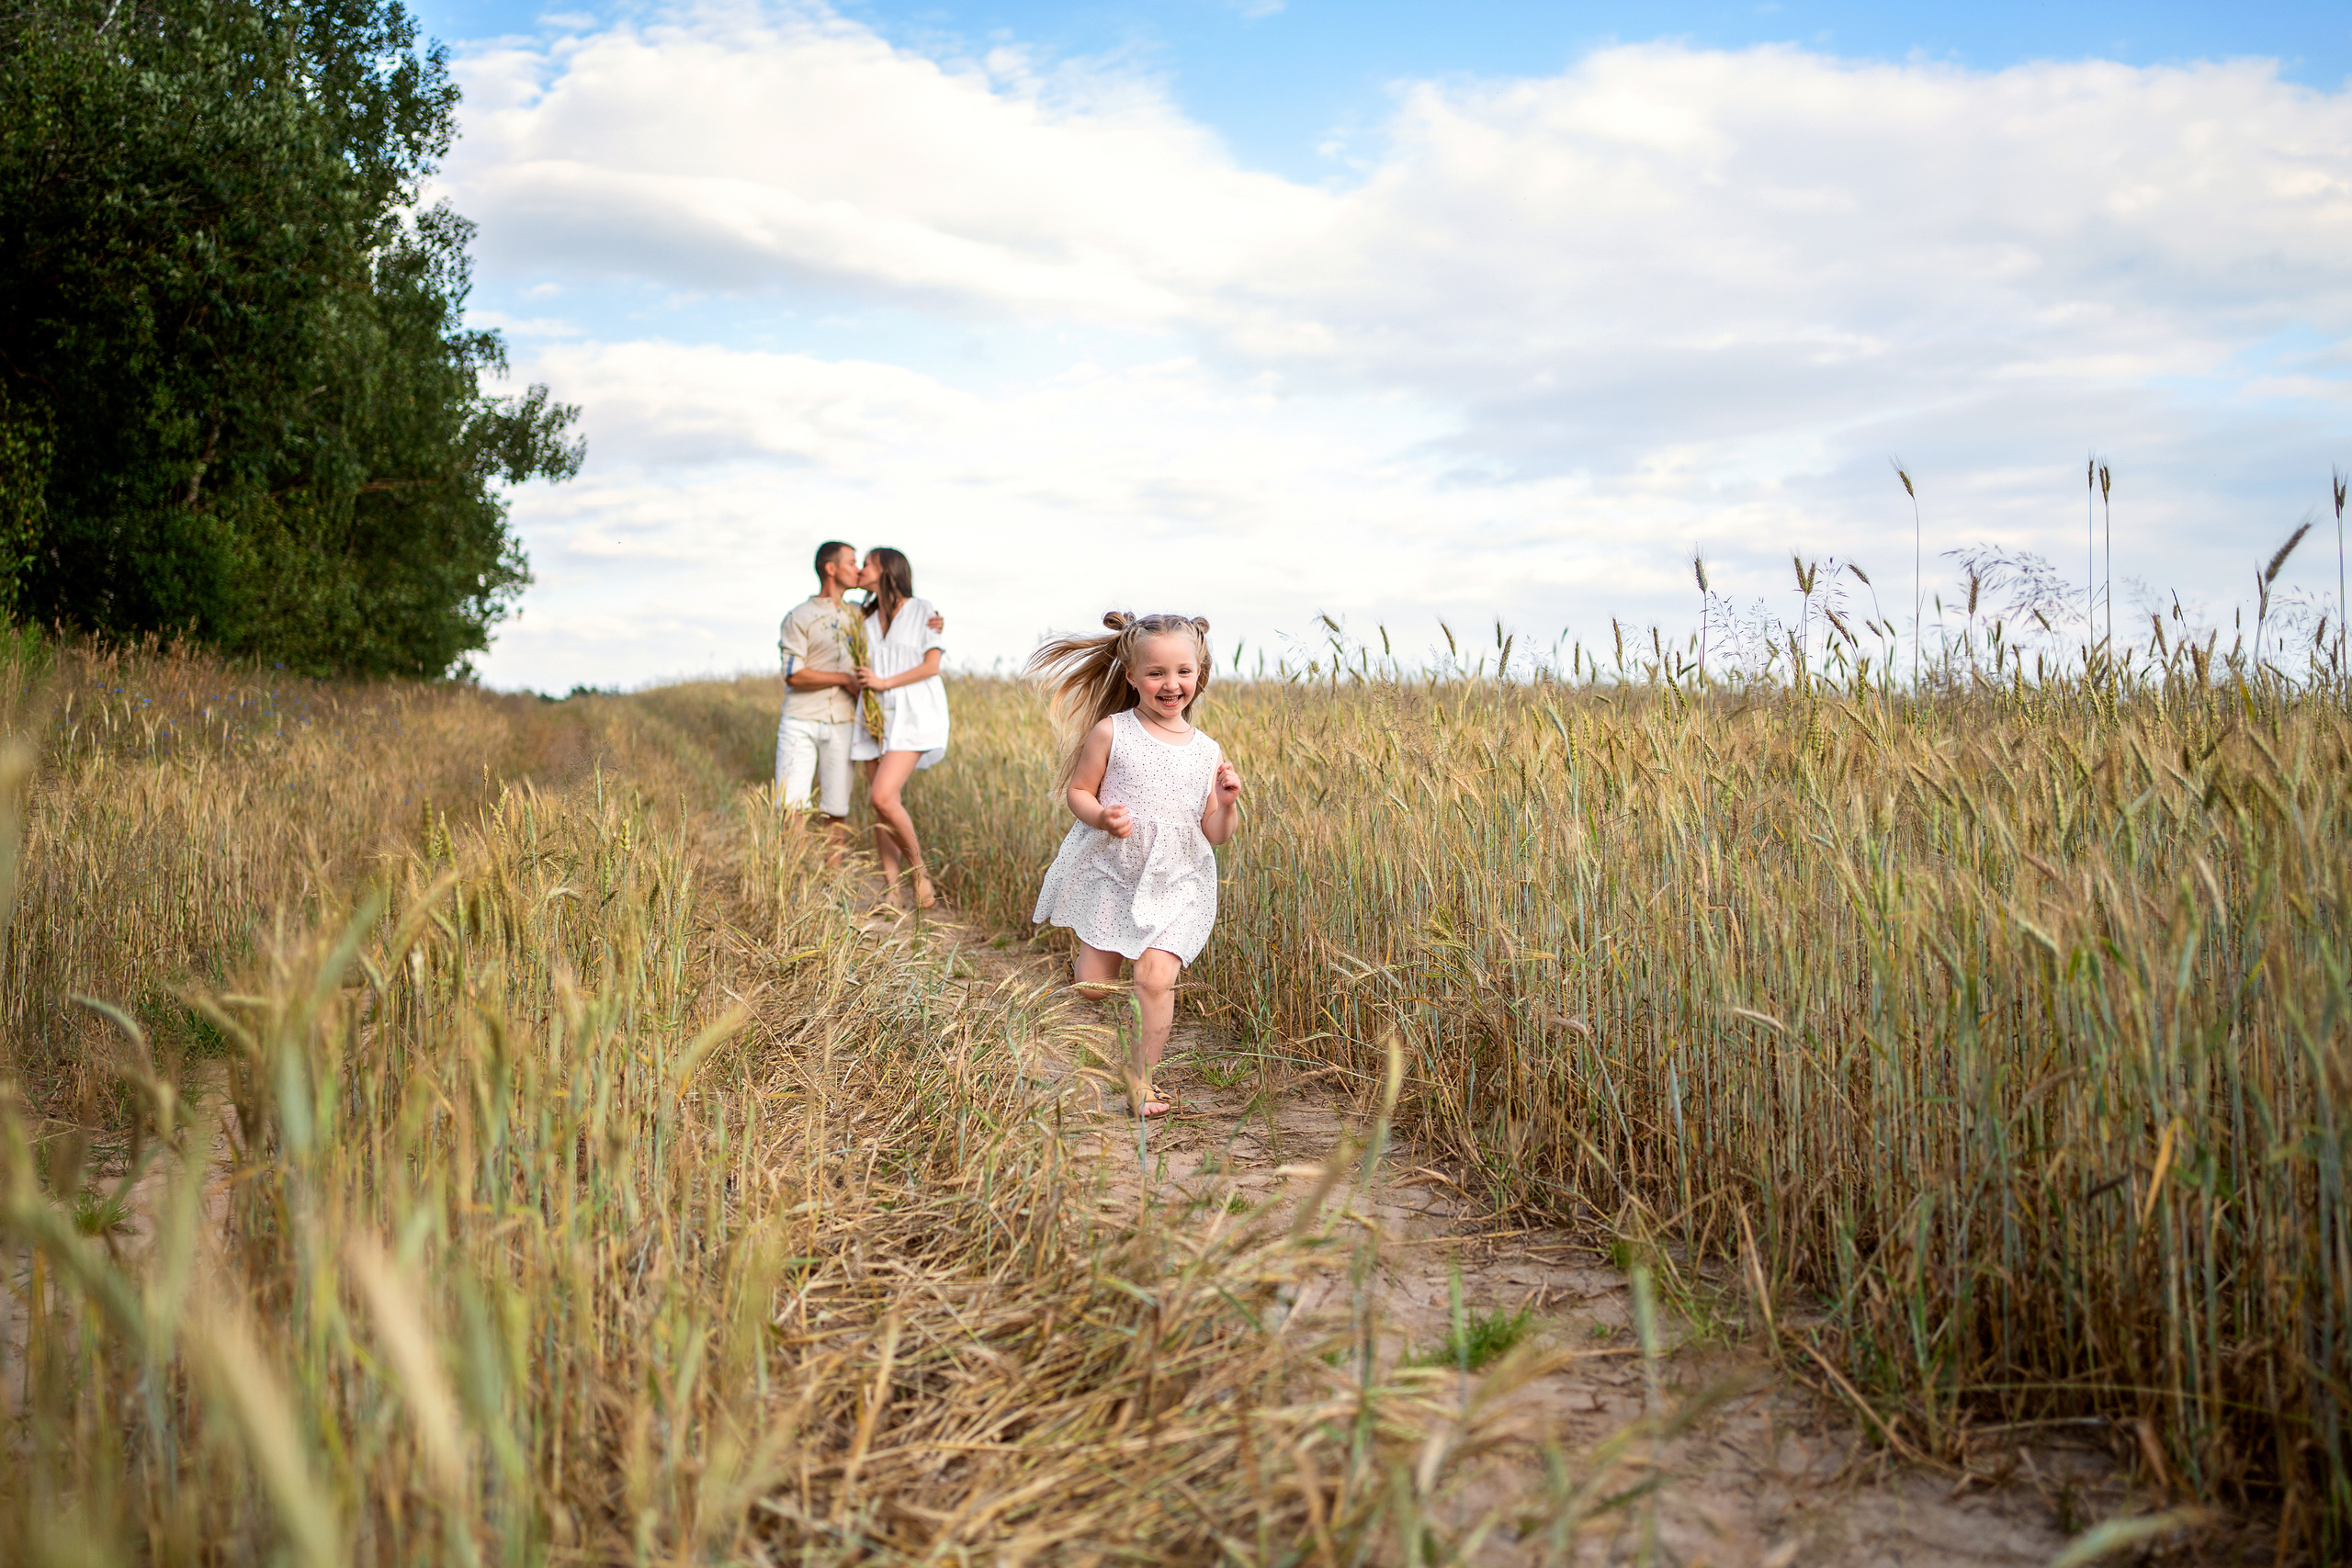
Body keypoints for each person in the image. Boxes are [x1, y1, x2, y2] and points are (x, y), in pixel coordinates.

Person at [1027, 613, 1244, 1118]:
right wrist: (1101, 816)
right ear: (1131, 676)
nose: (1171, 684)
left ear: (1199, 673)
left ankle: (1142, 1081)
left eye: (1183, 672)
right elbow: (1078, 791)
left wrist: (1227, 804)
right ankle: (1083, 964)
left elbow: (1214, 834)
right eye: (1156, 673)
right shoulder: (1112, 731)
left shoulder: (1207, 751)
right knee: (1093, 989)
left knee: (1154, 979)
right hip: (1115, 874)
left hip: (1178, 879)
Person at [776, 541, 939, 855]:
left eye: (863, 563)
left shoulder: (859, 614)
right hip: (801, 718)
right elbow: (792, 674)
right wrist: (844, 680)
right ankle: (795, 873)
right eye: (853, 563)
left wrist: (933, 620)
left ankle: (832, 876)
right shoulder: (801, 615)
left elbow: (904, 618)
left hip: (845, 720)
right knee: (793, 804)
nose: (859, 569)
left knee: (837, 807)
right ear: (831, 569)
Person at [848, 547, 951, 908]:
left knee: (882, 796)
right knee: (884, 807)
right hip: (874, 716)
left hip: (912, 713)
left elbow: (931, 665)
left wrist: (883, 682)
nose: (860, 569)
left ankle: (919, 873)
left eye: (867, 564)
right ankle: (891, 891)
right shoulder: (861, 616)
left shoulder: (923, 610)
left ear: (887, 569)